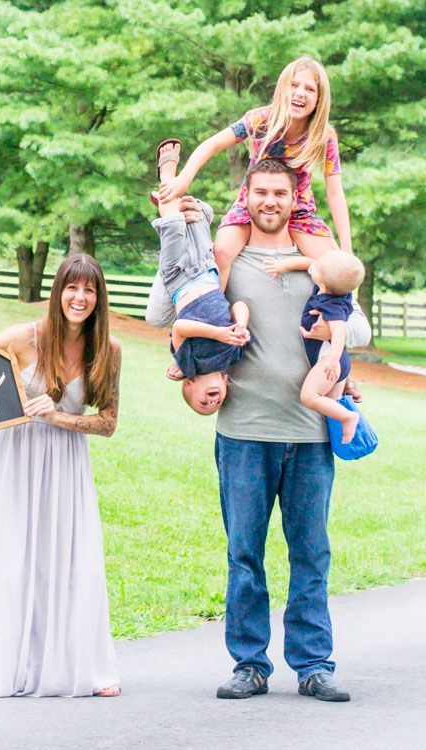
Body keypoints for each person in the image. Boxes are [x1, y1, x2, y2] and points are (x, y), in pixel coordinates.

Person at [211, 158, 371, 702]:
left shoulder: (320, 261)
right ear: (247, 196)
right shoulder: (229, 260)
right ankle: (249, 664)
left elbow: (361, 325)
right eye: (261, 192)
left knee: (311, 553)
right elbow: (171, 311)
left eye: (280, 192)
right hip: (244, 429)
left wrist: (337, 331)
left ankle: (313, 665)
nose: (270, 201)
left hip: (309, 434)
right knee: (244, 553)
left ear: (292, 197)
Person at [0, 254, 122, 698]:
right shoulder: (22, 338)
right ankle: (14, 662)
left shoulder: (107, 350)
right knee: (16, 558)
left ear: (99, 297)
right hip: (17, 454)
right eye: (72, 288)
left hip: (67, 461)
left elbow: (108, 422)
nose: (80, 297)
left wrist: (59, 418)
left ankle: (79, 665)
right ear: (57, 292)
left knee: (72, 562)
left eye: (89, 289)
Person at [158, 56, 352, 291]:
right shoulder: (261, 120)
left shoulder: (323, 137)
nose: (300, 93)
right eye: (294, 85)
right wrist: (183, 179)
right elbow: (213, 144)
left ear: (319, 99)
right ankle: (213, 316)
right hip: (252, 204)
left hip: (298, 209)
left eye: (310, 89)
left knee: (337, 267)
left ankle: (332, 321)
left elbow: (335, 193)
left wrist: (347, 247)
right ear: (283, 89)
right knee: (221, 251)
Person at [147, 140, 251, 415]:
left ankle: (167, 175)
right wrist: (240, 325)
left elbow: (180, 327)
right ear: (226, 383)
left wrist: (218, 333)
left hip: (178, 278)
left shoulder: (188, 364)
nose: (212, 402)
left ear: (190, 385)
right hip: (207, 271)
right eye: (215, 405)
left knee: (173, 228)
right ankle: (196, 209)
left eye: (202, 403)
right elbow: (239, 304)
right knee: (197, 226)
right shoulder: (234, 354)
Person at [263, 249, 366, 443]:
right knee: (331, 408)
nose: (314, 264)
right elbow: (308, 261)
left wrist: (333, 360)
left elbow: (339, 332)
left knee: (309, 396)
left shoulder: (333, 304)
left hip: (328, 360)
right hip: (327, 358)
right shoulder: (327, 285)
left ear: (324, 282)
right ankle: (342, 431)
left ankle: (348, 417)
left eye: (318, 266)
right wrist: (283, 266)